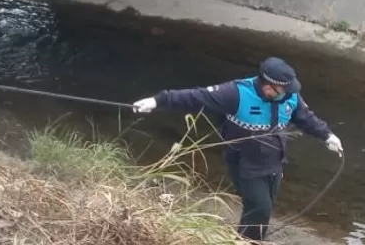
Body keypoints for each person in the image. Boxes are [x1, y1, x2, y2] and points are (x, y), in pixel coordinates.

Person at [131, 57, 343, 241]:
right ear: (268, 86)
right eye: (283, 91)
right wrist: (157, 101)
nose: (288, 95)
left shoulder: (290, 96)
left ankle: (243, 239)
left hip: (275, 161)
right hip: (244, 163)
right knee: (261, 208)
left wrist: (327, 135)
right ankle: (249, 241)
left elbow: (306, 118)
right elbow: (196, 97)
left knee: (261, 209)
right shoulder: (235, 94)